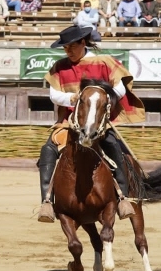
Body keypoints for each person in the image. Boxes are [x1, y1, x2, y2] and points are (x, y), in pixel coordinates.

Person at [36, 25, 145, 223]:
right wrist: (72, 98)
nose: (68, 51)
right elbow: (53, 94)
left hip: (99, 123)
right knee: (47, 151)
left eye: (71, 47)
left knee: (114, 148)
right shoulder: (60, 66)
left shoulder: (104, 61)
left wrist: (105, 99)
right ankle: (46, 202)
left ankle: (123, 199)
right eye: (65, 47)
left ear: (83, 43)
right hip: (69, 123)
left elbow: (120, 85)